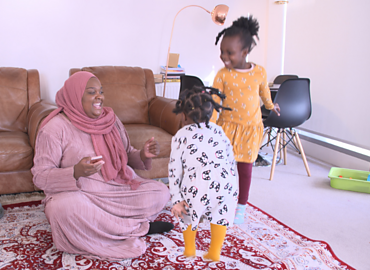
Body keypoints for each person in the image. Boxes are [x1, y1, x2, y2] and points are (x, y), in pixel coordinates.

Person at [31, 71, 173, 261]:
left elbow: (126, 154)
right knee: (61, 209)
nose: (99, 96)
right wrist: (75, 172)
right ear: (75, 95)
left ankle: (107, 227)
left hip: (116, 191)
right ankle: (138, 228)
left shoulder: (110, 120)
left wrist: (142, 154)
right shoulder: (54, 128)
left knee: (161, 192)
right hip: (81, 195)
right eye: (91, 92)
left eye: (101, 91)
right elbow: (40, 176)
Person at [211, 16, 280, 224]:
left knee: (245, 170)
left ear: (244, 52)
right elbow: (215, 102)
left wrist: (270, 106)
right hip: (227, 129)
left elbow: (264, 93)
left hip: (251, 129)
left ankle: (241, 206)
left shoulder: (259, 72)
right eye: (222, 51)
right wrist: (210, 127)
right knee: (222, 168)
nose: (224, 56)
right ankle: (220, 201)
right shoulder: (223, 75)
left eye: (229, 52)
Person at [168, 86, 238, 262]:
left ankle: (190, 249)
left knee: (188, 213)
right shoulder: (218, 130)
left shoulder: (180, 135)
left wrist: (177, 198)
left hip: (196, 184)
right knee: (220, 214)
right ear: (211, 113)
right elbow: (230, 157)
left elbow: (174, 169)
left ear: (184, 115)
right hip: (225, 181)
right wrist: (233, 185)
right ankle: (214, 252)